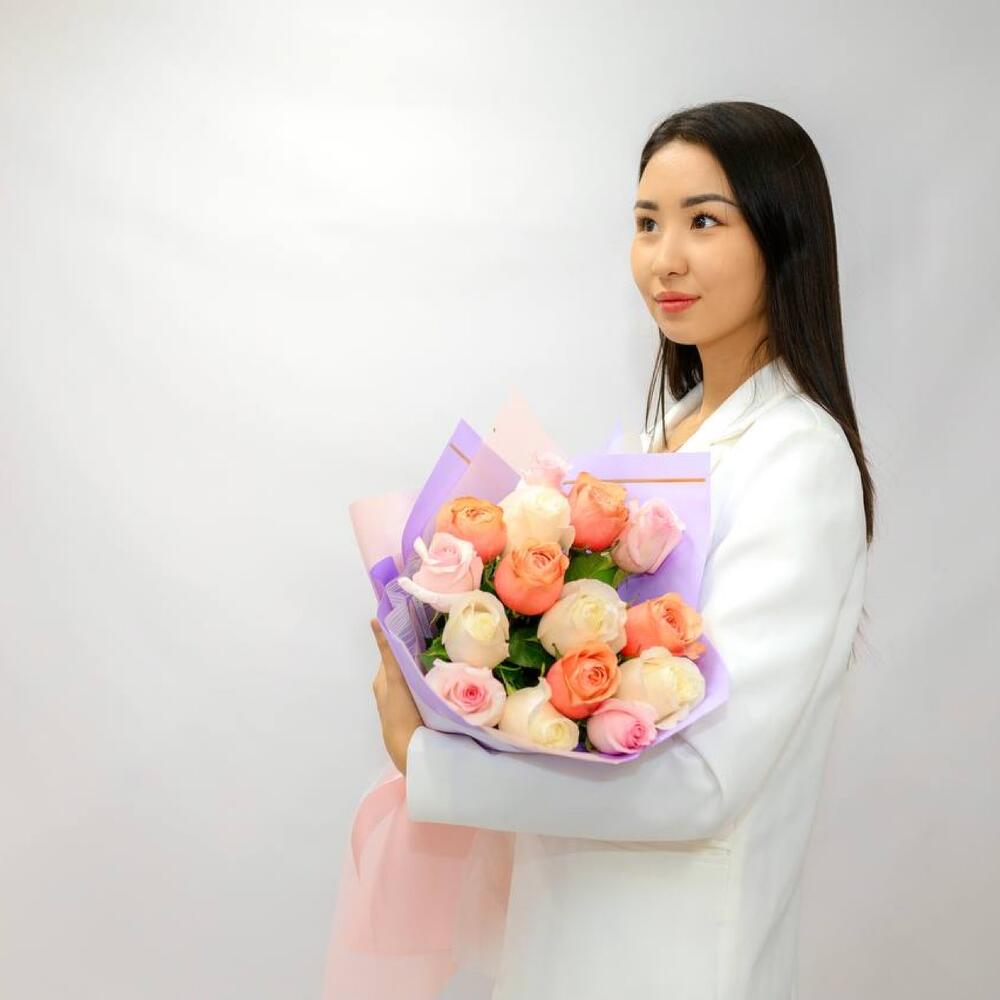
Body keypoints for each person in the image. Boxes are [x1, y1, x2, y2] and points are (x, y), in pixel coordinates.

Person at [367, 100, 876, 1000]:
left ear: (782, 235)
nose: (664, 258)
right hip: (563, 939)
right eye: (647, 223)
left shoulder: (799, 461)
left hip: (676, 962)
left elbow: (704, 782)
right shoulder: (659, 441)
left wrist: (432, 760)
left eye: (703, 221)